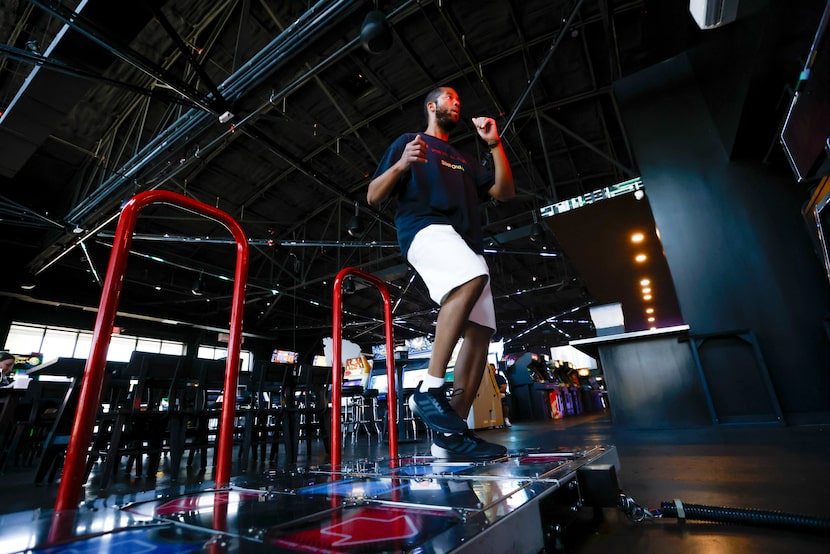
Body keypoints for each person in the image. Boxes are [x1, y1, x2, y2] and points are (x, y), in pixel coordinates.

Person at [367, 86, 514, 459]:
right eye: (450, 98)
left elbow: (503, 192)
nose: (457, 102)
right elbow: (373, 195)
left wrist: (494, 145)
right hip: (423, 228)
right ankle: (430, 390)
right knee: (471, 275)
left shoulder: (463, 159)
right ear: (432, 106)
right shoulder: (410, 142)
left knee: (481, 333)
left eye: (458, 99)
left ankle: (450, 437)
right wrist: (401, 165)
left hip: (464, 244)